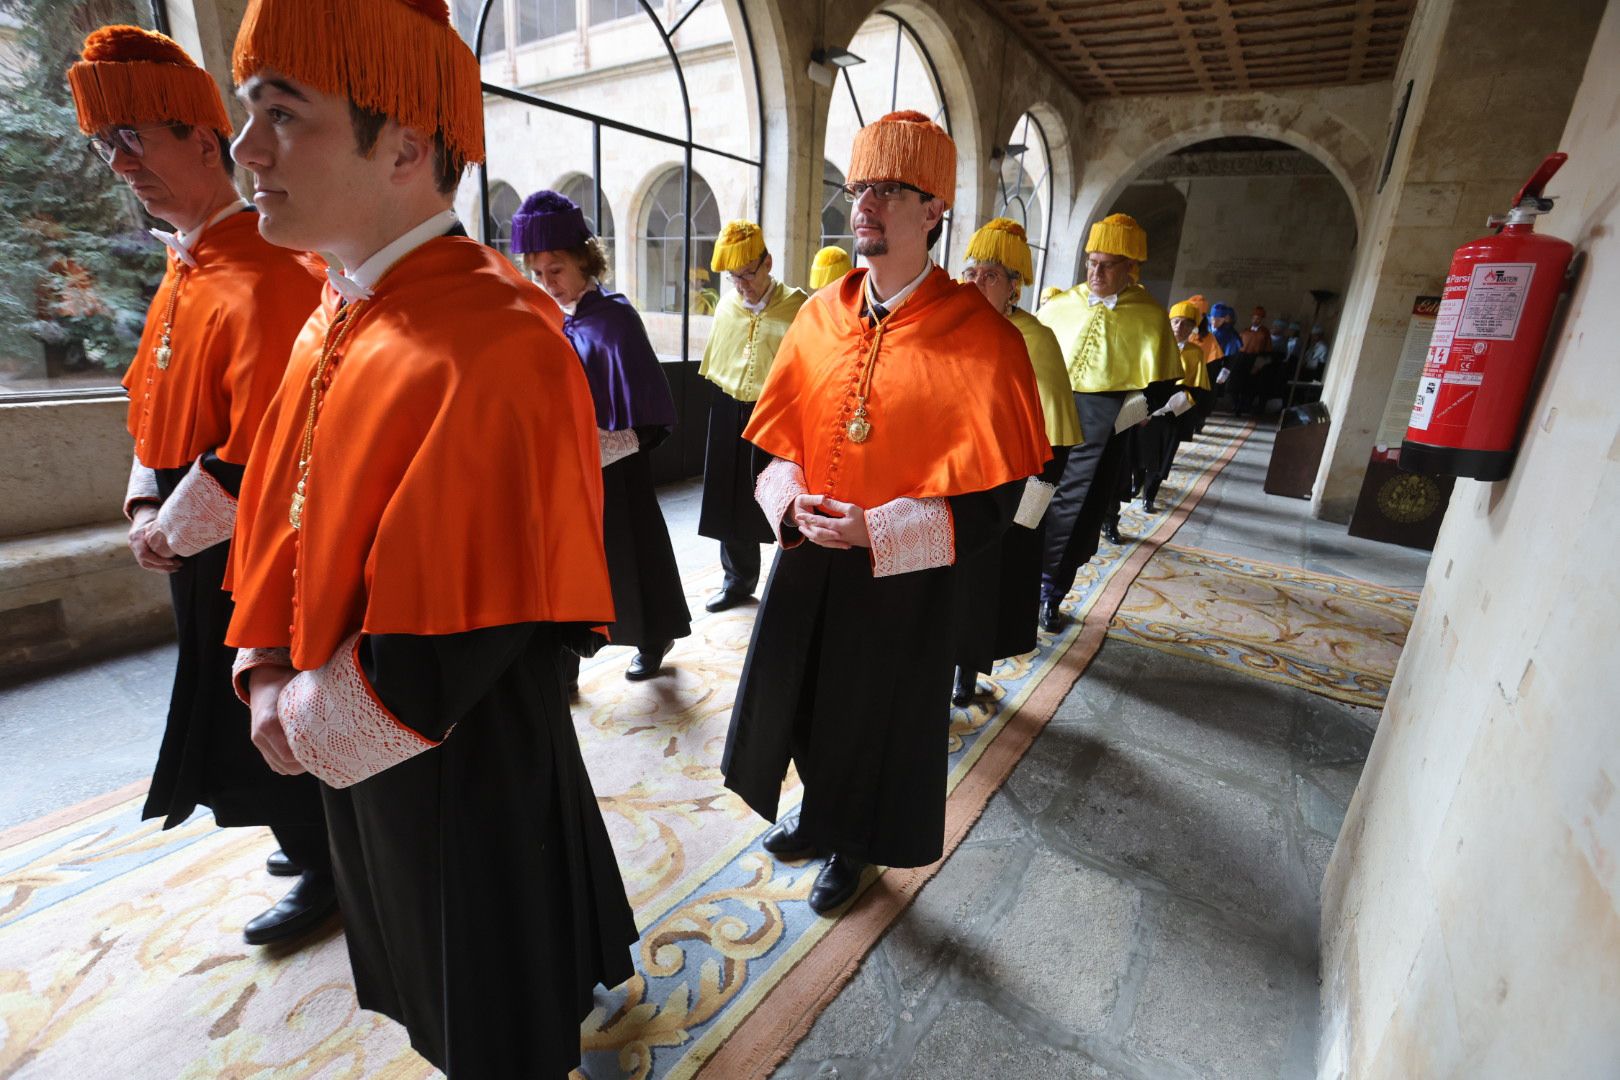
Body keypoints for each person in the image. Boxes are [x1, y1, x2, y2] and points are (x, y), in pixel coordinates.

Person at [224, 1, 637, 1073]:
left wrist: (307, 715)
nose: (245, 149)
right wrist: (264, 662)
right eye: (246, 112)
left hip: (458, 751)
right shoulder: (336, 310)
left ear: (406, 143)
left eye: (282, 114)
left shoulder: (501, 337)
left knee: (490, 991)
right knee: (424, 966)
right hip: (347, 720)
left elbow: (481, 621)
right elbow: (287, 506)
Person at [722, 111, 1049, 916]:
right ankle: (819, 810)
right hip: (808, 552)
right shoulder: (819, 315)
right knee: (800, 697)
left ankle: (855, 845)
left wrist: (877, 529)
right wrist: (790, 498)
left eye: (890, 191)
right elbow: (778, 442)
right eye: (859, 187)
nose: (863, 205)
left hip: (897, 572)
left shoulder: (983, 337)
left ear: (934, 208)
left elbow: (991, 502)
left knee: (871, 717)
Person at [67, 24, 331, 946]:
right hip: (188, 526)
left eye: (137, 139)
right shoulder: (186, 266)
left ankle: (325, 860)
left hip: (249, 535)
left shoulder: (268, 269)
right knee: (221, 698)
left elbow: (266, 443)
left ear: (204, 139)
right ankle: (303, 841)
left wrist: (173, 528)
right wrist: (146, 502)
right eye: (109, 146)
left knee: (265, 695)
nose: (121, 165)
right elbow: (155, 401)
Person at [512, 190, 693, 681]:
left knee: (630, 557)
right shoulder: (542, 317)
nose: (547, 283)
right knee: (566, 564)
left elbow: (649, 415)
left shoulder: (614, 319)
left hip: (615, 468)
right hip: (561, 470)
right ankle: (566, 660)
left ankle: (654, 637)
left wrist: (599, 448)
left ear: (584, 262)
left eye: (557, 270)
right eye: (537, 273)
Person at [952, 217, 1082, 706]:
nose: (974, 282)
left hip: (1001, 486)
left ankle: (966, 668)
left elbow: (1056, 432)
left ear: (1014, 286)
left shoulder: (1035, 338)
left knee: (984, 580)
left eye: (988, 275)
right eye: (969, 273)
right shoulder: (949, 328)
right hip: (948, 474)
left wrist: (1030, 502)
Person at [1036, 213, 1183, 632]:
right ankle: (1020, 587)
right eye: (1091, 263)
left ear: (1130, 269)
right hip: (1047, 426)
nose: (1095, 273)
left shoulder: (1150, 316)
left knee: (1077, 515)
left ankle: (1052, 592)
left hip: (1103, 436)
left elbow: (1159, 388)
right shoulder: (1060, 306)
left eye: (1107, 265)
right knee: (1031, 506)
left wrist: (1120, 422)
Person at [698, 221, 809, 612]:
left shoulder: (798, 306)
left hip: (777, 414)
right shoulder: (728, 306)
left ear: (768, 263)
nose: (741, 284)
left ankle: (790, 587)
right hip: (729, 409)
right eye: (733, 277)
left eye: (748, 273)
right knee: (730, 500)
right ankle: (738, 582)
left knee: (781, 498)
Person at [1131, 298, 1207, 514]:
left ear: (1192, 327)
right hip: (1145, 408)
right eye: (1175, 322)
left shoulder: (1195, 353)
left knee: (1161, 457)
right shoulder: (1155, 345)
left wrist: (1164, 409)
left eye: (1185, 323)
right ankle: (1137, 482)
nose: (1179, 327)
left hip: (1171, 413)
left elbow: (1195, 389)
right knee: (1137, 450)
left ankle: (1150, 495)